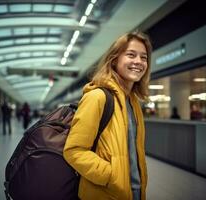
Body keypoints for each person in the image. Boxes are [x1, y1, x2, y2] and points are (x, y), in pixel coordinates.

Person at [63, 31, 151, 200]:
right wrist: (112, 176)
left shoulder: (133, 102)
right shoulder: (97, 97)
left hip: (134, 192)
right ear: (114, 59)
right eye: (131, 55)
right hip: (105, 193)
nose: (138, 62)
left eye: (144, 57)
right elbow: (74, 150)